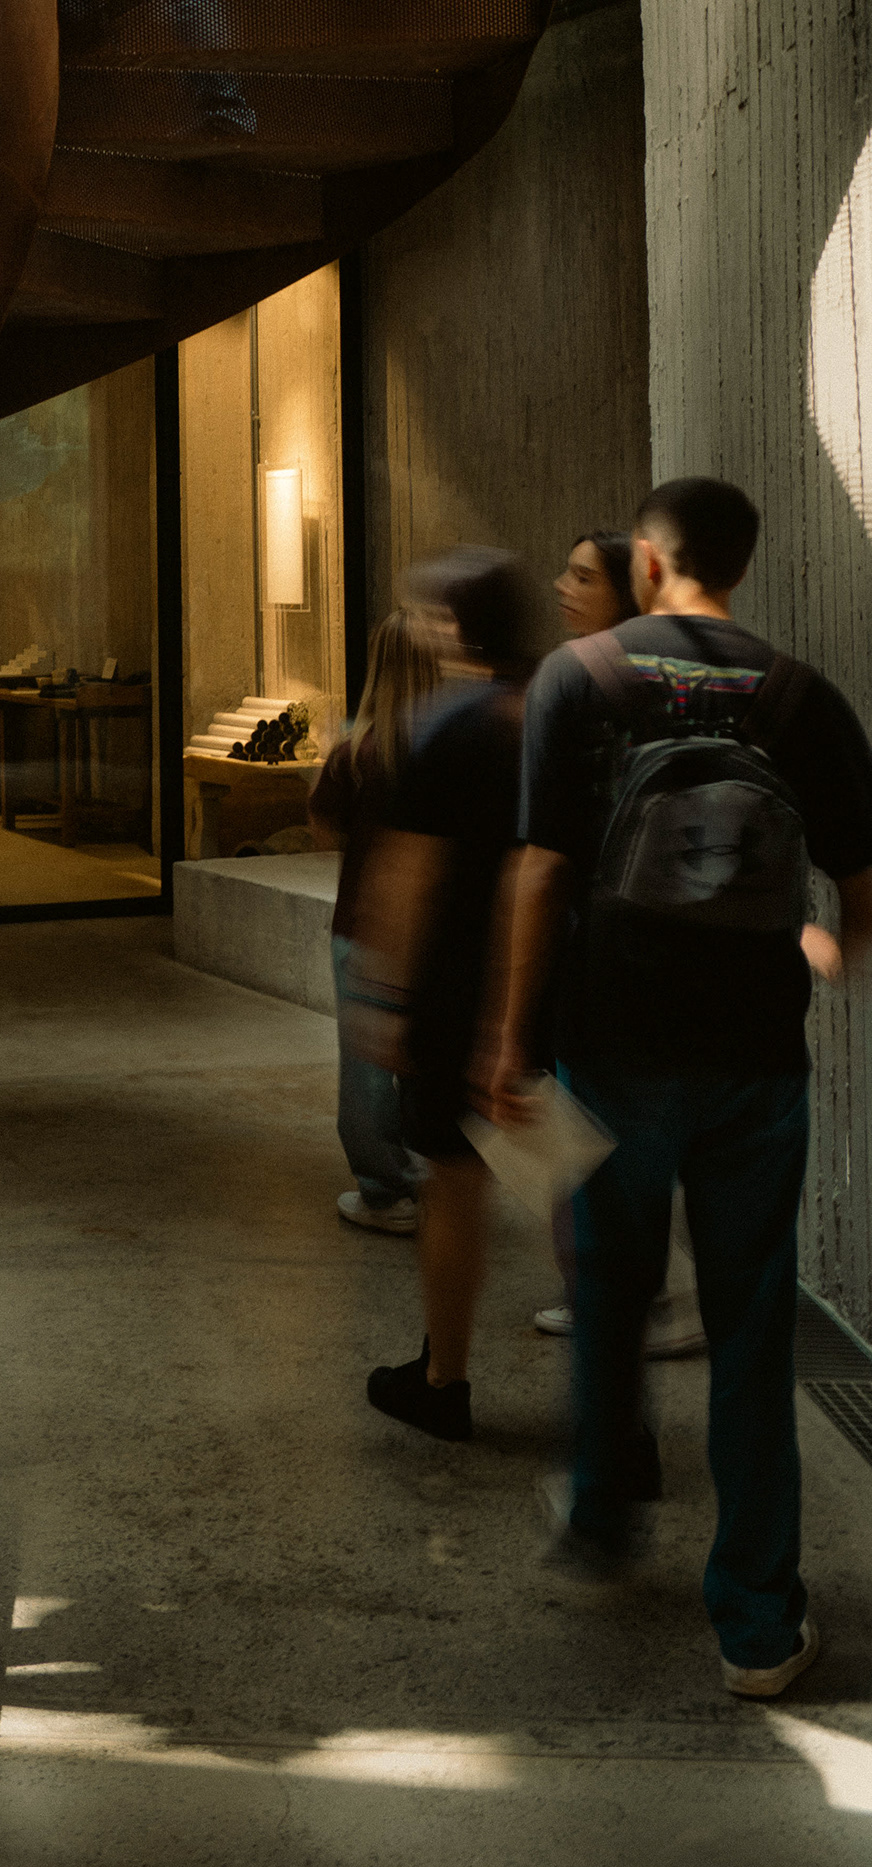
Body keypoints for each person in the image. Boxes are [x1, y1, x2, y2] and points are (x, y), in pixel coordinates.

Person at [485, 476, 872, 1698]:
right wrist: (821, 951)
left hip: (613, 1047)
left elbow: (543, 872)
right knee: (753, 1327)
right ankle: (757, 1623)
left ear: (648, 563)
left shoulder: (581, 679)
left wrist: (513, 1041)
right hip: (757, 1061)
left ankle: (604, 1514)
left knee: (611, 1285)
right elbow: (862, 888)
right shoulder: (801, 696)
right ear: (738, 567)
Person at [350, 547, 541, 1443]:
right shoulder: (549, 713)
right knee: (572, 1191)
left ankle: (444, 1378)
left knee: (454, 1185)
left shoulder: (448, 723)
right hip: (547, 981)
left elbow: (410, 876)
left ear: (459, 626)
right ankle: (617, 1413)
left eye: (430, 614)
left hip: (457, 988)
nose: (422, 629)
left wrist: (384, 998)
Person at [536, 523, 705, 1359]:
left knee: (596, 1135)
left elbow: (547, 853)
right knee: (594, 1136)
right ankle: (624, 1295)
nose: (562, 589)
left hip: (610, 948)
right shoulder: (647, 683)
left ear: (625, 590)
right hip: (635, 944)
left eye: (582, 577)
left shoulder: (583, 686)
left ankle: (633, 1302)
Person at [309, 607, 442, 1235]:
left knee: (366, 1067)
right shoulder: (450, 750)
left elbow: (322, 825)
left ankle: (385, 1191)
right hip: (436, 931)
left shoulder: (356, 752)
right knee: (426, 1057)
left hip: (364, 928)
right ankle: (433, 1175)